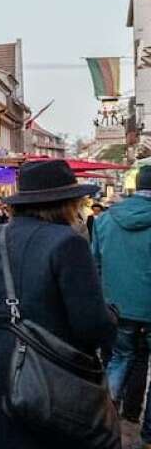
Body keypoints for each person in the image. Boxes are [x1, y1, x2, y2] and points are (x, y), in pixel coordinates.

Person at [0, 159, 117, 448]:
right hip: (45, 366)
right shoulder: (67, 242)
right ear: (66, 202)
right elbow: (90, 325)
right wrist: (111, 318)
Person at [92, 164, 151, 441]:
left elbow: (96, 264)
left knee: (119, 359)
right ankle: (147, 436)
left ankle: (105, 423)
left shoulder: (105, 219)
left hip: (117, 304)